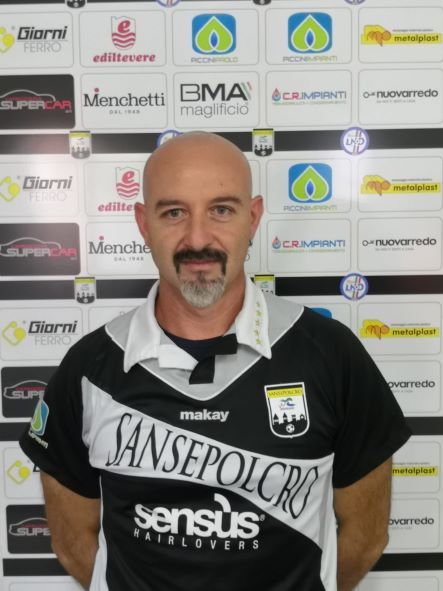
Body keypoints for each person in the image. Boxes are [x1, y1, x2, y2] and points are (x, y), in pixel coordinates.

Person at [20, 132, 411, 591]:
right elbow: (72, 541)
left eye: (221, 210)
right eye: (174, 212)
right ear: (143, 224)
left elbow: (366, 537)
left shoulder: (331, 355)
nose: (198, 238)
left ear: (253, 218)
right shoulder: (90, 367)